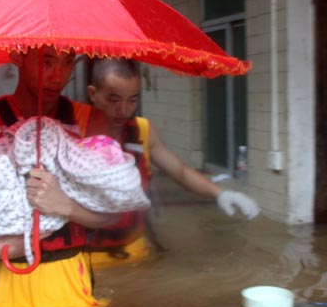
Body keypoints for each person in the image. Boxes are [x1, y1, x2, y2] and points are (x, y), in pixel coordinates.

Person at [0, 46, 121, 307]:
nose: (58, 76)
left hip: (69, 277)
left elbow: (112, 214)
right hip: (0, 279)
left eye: (67, 62)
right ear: (17, 56)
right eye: (46, 62)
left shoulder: (90, 123)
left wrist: (66, 206)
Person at [85, 58, 259, 264]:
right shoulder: (74, 132)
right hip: (88, 260)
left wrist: (221, 193)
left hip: (136, 252)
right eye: (114, 100)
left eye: (132, 100)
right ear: (93, 94)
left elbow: (181, 172)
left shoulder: (142, 131)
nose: (124, 109)